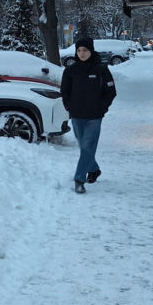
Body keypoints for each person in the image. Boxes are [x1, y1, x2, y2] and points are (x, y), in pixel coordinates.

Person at [60, 35, 116, 194]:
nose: (81, 53)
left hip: (94, 116)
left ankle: (79, 179)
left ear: (91, 51)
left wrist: (102, 108)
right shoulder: (71, 70)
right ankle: (94, 169)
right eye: (78, 50)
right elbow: (65, 91)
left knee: (86, 147)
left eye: (85, 50)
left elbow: (111, 91)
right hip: (77, 116)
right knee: (84, 147)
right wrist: (69, 106)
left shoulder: (101, 69)